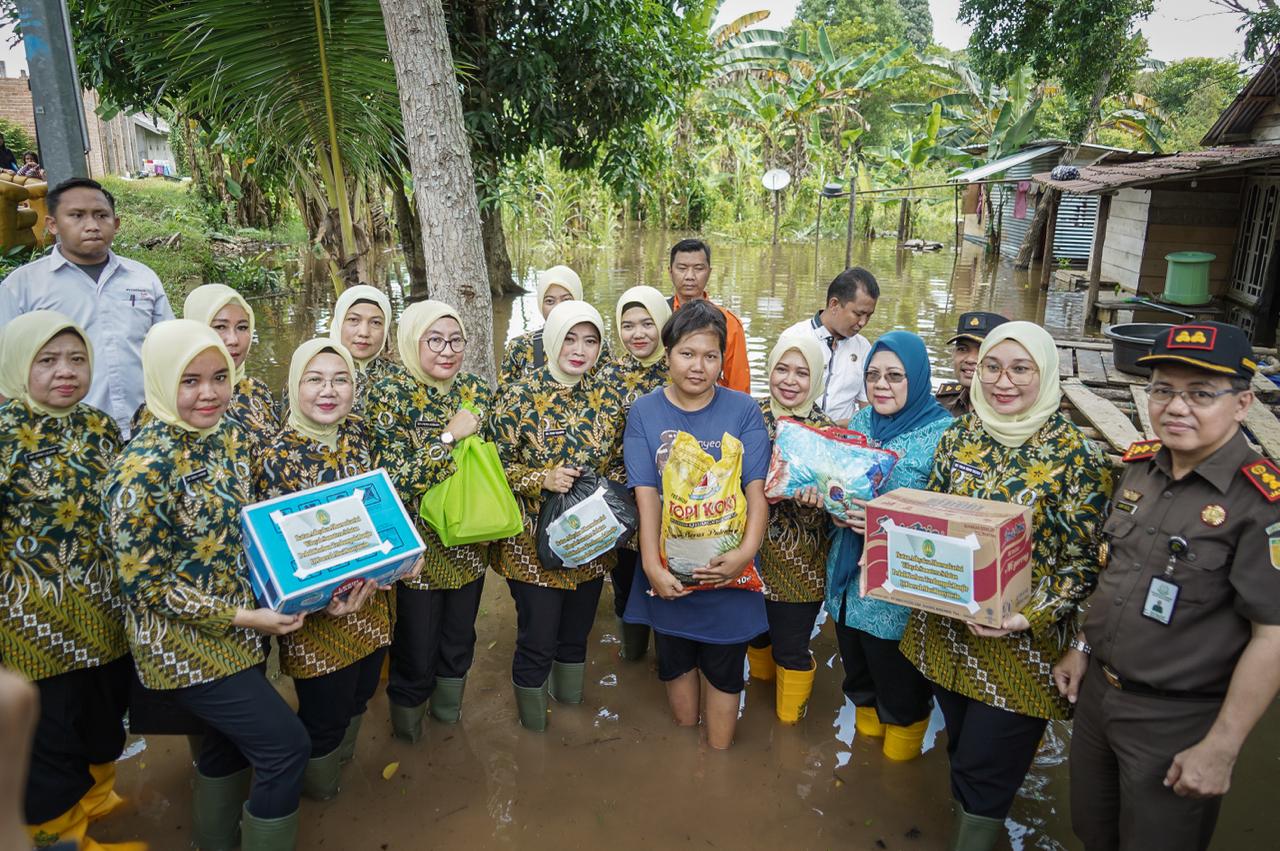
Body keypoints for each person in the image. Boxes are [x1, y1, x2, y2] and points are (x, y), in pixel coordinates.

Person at [1053, 322, 1280, 851]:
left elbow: (1272, 636)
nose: (1177, 407)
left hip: (1177, 719)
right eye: (1162, 390)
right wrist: (1081, 648)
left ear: (1243, 403)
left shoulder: (1260, 504)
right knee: (1091, 831)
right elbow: (1117, 575)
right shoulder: (1139, 470)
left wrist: (1222, 748)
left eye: (1201, 394)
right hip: (1098, 698)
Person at [898, 321, 1114, 851]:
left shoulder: (1075, 457)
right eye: (993, 366)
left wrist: (1026, 614)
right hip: (947, 636)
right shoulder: (960, 436)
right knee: (963, 751)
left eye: (1021, 369)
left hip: (1020, 649)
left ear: (1045, 374)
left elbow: (1085, 563)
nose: (1003, 381)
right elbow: (933, 520)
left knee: (984, 767)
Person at [107, 319, 310, 850]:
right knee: (286, 746)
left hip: (242, 631)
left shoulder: (227, 437)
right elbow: (146, 586)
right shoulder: (140, 468)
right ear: (160, 381)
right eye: (190, 380)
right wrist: (249, 618)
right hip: (184, 646)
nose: (210, 393)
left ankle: (212, 840)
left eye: (220, 377)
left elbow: (259, 526)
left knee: (224, 747)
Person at [0, 312, 133, 849]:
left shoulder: (98, 425)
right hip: (32, 628)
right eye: (48, 360)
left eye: (77, 359)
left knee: (103, 721)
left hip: (104, 617)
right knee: (48, 741)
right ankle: (61, 834)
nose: (66, 372)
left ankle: (98, 801)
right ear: (18, 364)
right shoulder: (5, 436)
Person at [255, 338, 408, 801]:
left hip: (373, 601)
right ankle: (321, 799)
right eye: (315, 379)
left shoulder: (358, 432)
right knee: (323, 717)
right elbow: (280, 559)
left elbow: (384, 506)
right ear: (294, 385)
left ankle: (342, 776)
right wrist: (328, 600)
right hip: (322, 621)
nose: (329, 391)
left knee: (361, 695)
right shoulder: (275, 457)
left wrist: (404, 552)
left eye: (340, 379)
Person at [622, 300, 769, 749]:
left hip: (732, 575)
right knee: (675, 664)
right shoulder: (644, 412)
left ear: (723, 359)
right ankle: (688, 769)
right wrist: (652, 566)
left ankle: (717, 768)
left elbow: (756, 493)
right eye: (687, 353)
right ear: (667, 355)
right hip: (669, 574)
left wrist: (742, 555)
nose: (698, 366)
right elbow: (646, 496)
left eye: (710, 355)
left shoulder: (744, 410)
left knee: (726, 672)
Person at [489, 301, 626, 731]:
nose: (579, 349)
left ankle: (570, 714)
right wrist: (540, 479)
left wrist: (602, 491)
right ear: (551, 339)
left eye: (590, 340)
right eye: (570, 337)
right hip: (531, 549)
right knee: (537, 639)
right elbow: (494, 469)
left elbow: (621, 463)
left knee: (575, 636)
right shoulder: (517, 397)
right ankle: (535, 733)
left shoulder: (609, 399)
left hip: (590, 544)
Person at [364, 300, 492, 741]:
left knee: (459, 644)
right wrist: (448, 437)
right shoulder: (387, 393)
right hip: (416, 553)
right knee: (415, 652)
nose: (447, 350)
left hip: (471, 542)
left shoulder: (476, 389)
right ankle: (409, 739)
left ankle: (448, 728)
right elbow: (391, 482)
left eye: (456, 340)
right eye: (434, 340)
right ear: (411, 341)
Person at [828, 331, 952, 761]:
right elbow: (841, 485)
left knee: (901, 694)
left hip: (898, 595)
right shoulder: (861, 424)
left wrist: (884, 521)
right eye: (874, 375)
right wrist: (831, 503)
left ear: (917, 378)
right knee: (858, 682)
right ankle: (863, 765)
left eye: (895, 376)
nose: (881, 385)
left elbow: (953, 523)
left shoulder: (944, 437)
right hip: (846, 581)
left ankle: (896, 780)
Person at [1, 177, 174, 438]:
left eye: (101, 215)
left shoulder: (143, 278)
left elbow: (169, 350)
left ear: (116, 225)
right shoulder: (23, 286)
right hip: (61, 437)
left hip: (144, 430)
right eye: (77, 216)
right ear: (53, 225)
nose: (92, 225)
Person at [746, 332, 834, 723]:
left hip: (802, 563)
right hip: (748, 553)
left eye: (802, 372)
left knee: (792, 647)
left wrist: (821, 501)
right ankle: (760, 701)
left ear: (815, 378)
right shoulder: (747, 416)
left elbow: (841, 503)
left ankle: (788, 727)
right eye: (782, 368)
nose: (790, 380)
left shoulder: (829, 432)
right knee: (755, 635)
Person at [597, 285, 671, 661]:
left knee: (674, 578)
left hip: (675, 502)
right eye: (627, 326)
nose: (637, 334)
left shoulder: (682, 368)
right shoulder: (605, 376)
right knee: (626, 581)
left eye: (647, 323)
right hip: (623, 501)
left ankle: (670, 657)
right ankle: (633, 657)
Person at [178, 284, 278, 450]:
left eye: (242, 327)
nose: (233, 340)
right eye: (220, 327)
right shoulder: (174, 402)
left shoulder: (259, 391)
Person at [782, 267, 879, 426]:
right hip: (796, 435)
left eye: (868, 315)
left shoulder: (863, 348)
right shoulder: (794, 337)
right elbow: (780, 402)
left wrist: (836, 428)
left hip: (842, 440)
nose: (863, 322)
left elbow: (865, 409)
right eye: (858, 314)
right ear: (834, 304)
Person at [498, 265, 610, 388]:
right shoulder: (520, 347)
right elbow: (504, 395)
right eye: (550, 301)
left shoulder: (598, 347)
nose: (558, 307)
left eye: (566, 300)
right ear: (540, 304)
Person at [666, 239, 751, 394]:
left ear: (709, 272)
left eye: (698, 268)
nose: (690, 276)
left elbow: (738, 385)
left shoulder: (728, 322)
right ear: (670, 271)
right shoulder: (657, 316)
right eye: (682, 268)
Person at [326, 284, 394, 411]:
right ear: (339, 323)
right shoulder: (310, 376)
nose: (364, 332)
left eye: (375, 323)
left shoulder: (400, 379)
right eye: (353, 319)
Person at [936, 312, 1008, 417]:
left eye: (982, 350)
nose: (969, 359)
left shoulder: (1012, 412)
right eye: (962, 349)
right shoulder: (942, 404)